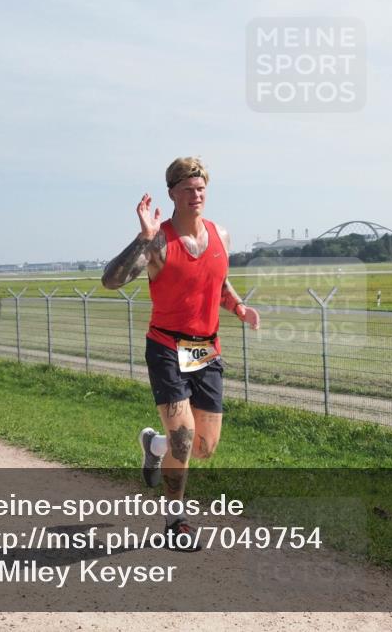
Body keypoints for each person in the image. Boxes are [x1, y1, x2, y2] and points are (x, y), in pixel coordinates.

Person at [102, 157, 260, 551]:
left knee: (204, 447)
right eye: (188, 189)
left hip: (205, 349)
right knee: (185, 437)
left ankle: (154, 446)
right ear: (172, 193)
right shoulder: (158, 241)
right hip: (167, 347)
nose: (197, 195)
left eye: (201, 188)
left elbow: (218, 281)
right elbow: (111, 281)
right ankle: (175, 521)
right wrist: (143, 238)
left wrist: (239, 308)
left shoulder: (220, 234)